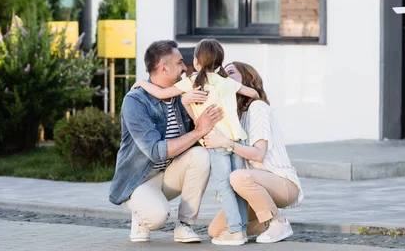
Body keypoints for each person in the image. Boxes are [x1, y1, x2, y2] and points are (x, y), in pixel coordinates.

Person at [134, 39, 259, 246]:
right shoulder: (226, 82)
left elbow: (162, 93)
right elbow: (253, 93)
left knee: (225, 186)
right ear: (219, 62)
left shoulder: (193, 82)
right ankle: (242, 229)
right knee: (238, 186)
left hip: (216, 141)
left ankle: (235, 231)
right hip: (238, 138)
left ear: (198, 62)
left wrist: (141, 84)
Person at [108, 40, 223, 244]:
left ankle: (184, 226)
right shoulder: (136, 101)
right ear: (165, 67)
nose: (184, 68)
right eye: (180, 62)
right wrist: (199, 131)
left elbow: (199, 139)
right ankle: (141, 212)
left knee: (200, 156)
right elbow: (155, 151)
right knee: (157, 217)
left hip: (168, 174)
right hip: (139, 180)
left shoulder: (181, 97)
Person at [204, 62, 304, 244]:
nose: (225, 76)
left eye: (231, 72)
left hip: (281, 182)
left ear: (247, 78)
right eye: (224, 73)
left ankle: (278, 222)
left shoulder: (257, 107)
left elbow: (258, 154)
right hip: (251, 187)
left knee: (238, 177)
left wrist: (227, 143)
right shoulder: (235, 117)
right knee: (215, 230)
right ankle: (264, 223)